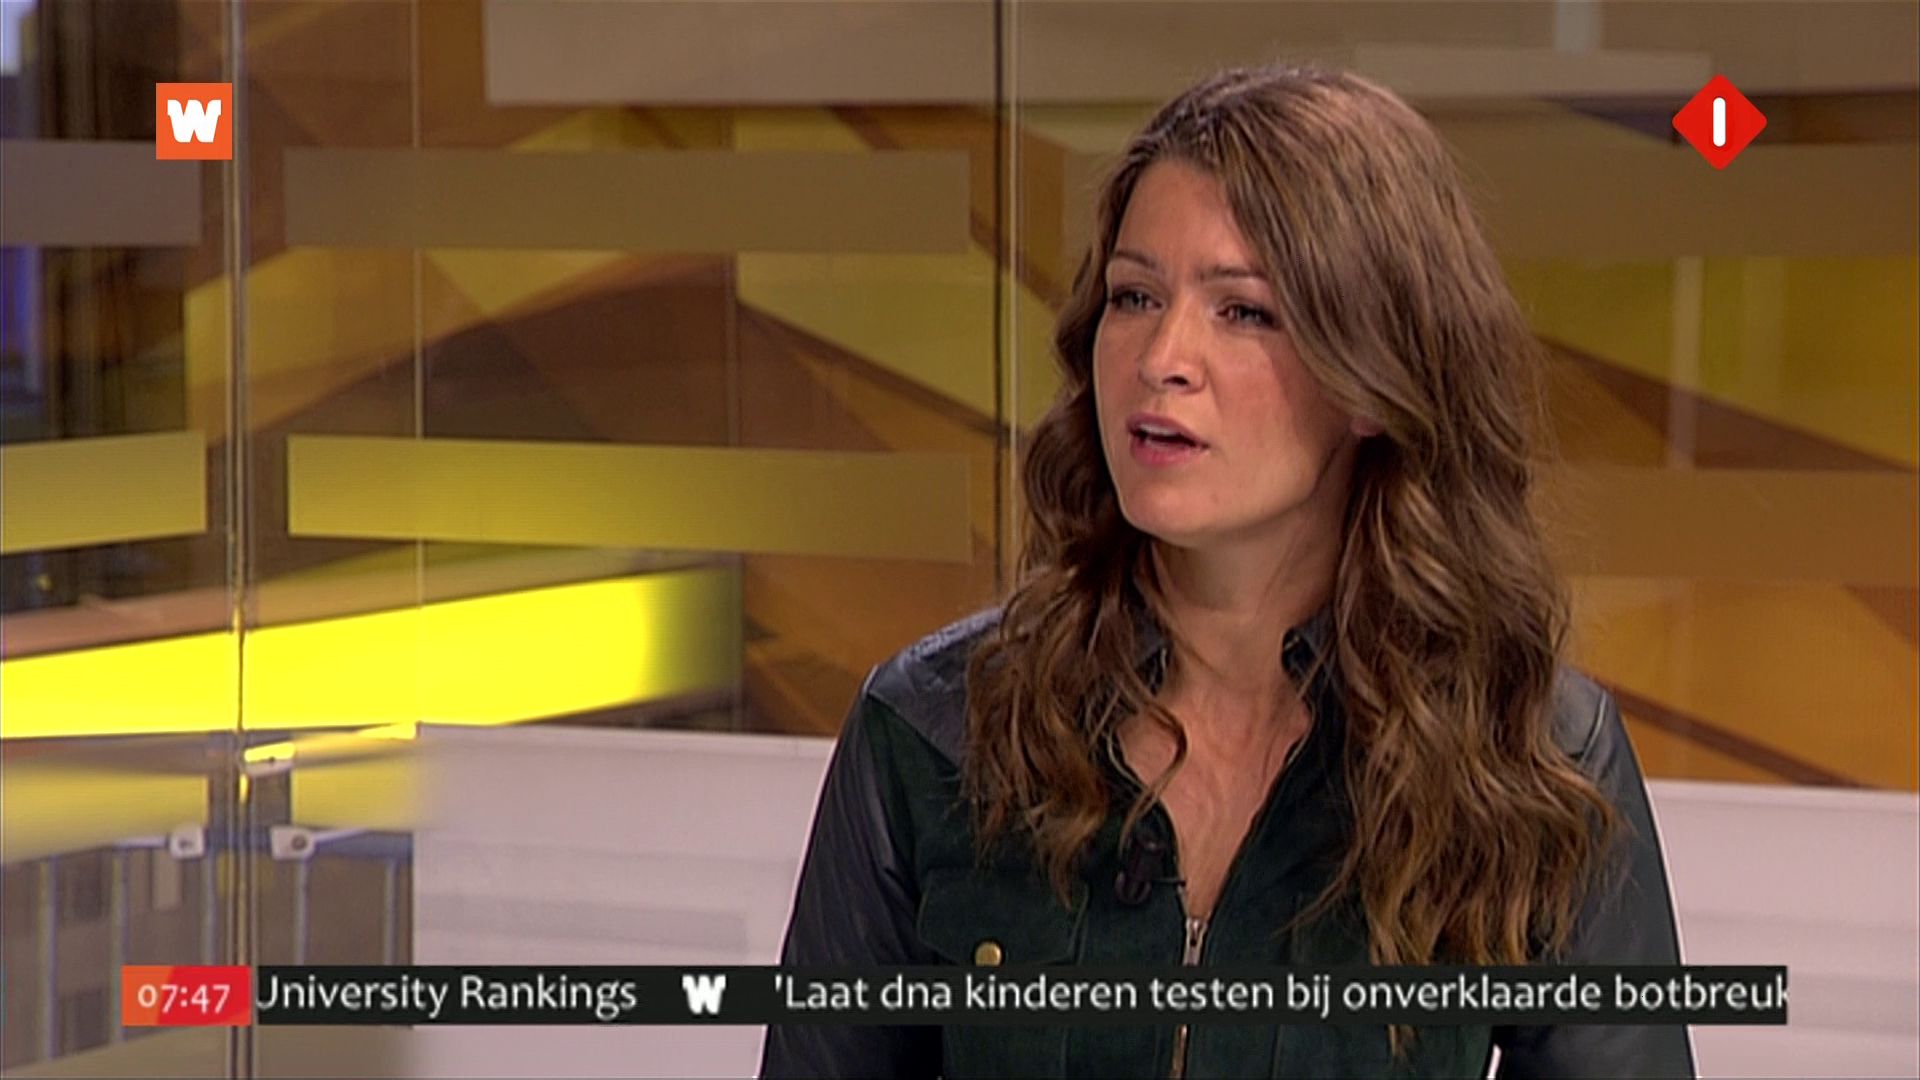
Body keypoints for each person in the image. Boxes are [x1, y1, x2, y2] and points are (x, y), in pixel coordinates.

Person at [760, 63, 1694, 1079]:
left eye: (1243, 311)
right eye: (1134, 296)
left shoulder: (1529, 750)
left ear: (1371, 379)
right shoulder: (934, 731)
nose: (1162, 356)